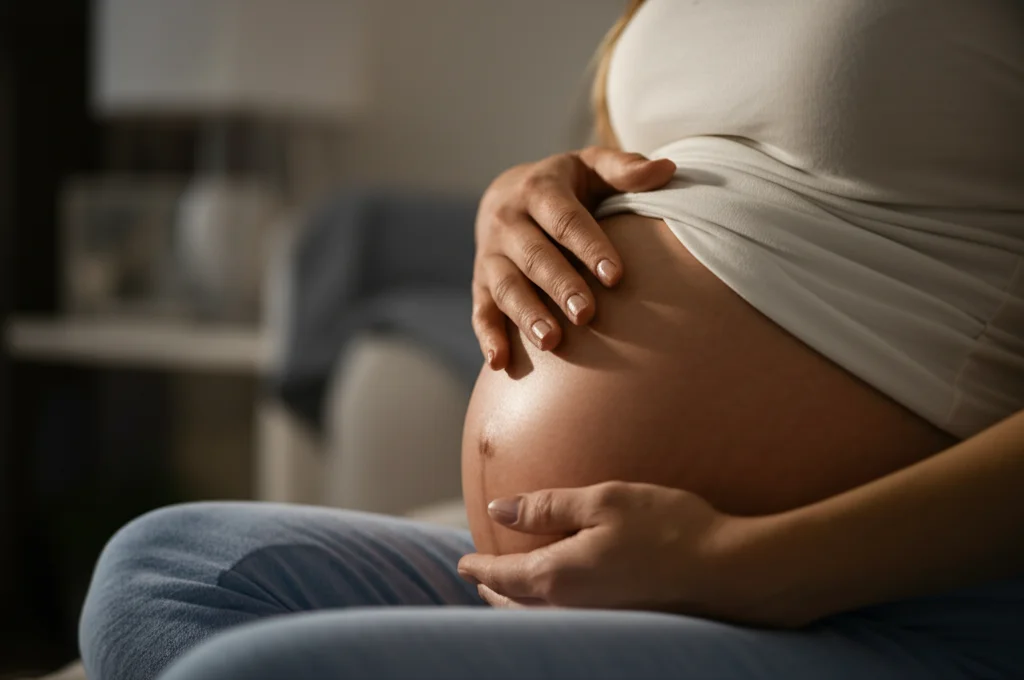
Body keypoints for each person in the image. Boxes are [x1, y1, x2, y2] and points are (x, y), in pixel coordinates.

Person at [80, 1, 1024, 678]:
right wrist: (525, 197)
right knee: (158, 577)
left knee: (249, 671)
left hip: (877, 599)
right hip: (596, 578)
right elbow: (695, 187)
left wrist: (749, 566)